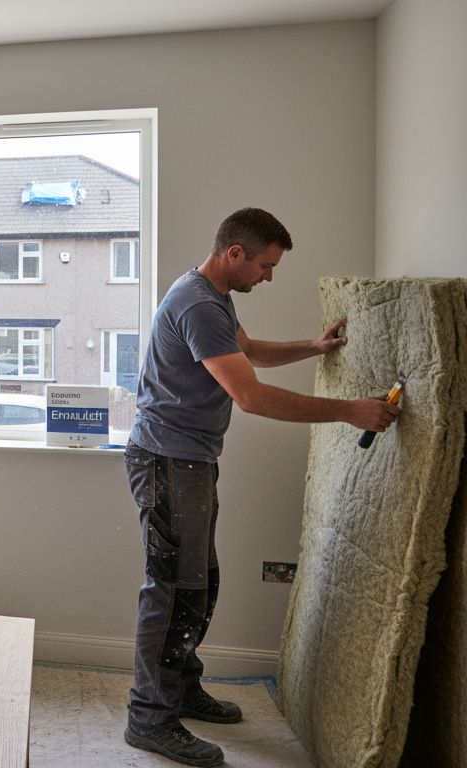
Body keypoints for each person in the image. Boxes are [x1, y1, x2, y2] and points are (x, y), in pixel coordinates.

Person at [121, 207, 399, 767]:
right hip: (170, 463)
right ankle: (150, 717)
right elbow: (250, 396)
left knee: (200, 585)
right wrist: (348, 412)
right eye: (266, 266)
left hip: (188, 461)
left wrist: (312, 348)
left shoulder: (210, 295)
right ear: (235, 254)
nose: (268, 277)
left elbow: (246, 353)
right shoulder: (198, 303)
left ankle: (180, 687)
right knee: (175, 589)